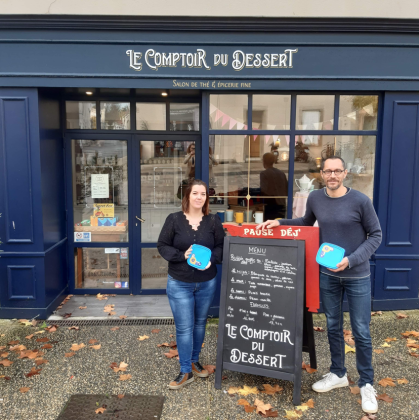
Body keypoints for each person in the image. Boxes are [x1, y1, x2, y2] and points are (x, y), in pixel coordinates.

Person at [256, 156, 382, 414]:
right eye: (328, 171)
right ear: (322, 174)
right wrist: (279, 222)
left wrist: (351, 260)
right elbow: (305, 223)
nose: (332, 175)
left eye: (337, 171)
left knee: (361, 330)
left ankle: (367, 383)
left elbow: (376, 235)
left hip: (356, 274)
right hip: (328, 274)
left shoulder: (360, 201)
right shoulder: (315, 197)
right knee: (333, 326)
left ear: (345, 173)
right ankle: (338, 373)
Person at [157, 179, 225, 390]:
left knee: (200, 323)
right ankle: (185, 370)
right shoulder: (174, 219)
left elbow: (222, 247)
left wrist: (212, 260)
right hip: (179, 282)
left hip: (206, 282)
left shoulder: (213, 221)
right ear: (187, 196)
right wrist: (180, 255)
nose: (199, 197)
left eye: (203, 194)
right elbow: (162, 245)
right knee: (185, 328)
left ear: (206, 197)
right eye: (195, 193)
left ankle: (194, 362)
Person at [259, 152, 288, 220]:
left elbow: (263, 191)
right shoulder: (281, 173)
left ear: (264, 162)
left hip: (271, 206)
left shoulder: (264, 174)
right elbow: (286, 189)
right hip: (282, 205)